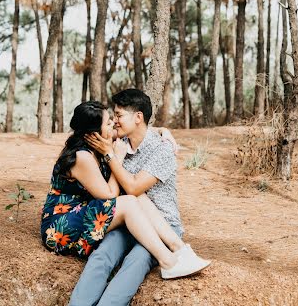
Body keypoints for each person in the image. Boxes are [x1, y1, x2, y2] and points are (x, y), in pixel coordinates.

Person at [41, 96, 210, 287]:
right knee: (129, 201)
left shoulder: (99, 143)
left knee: (138, 195)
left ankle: (179, 249)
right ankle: (167, 262)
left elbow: (139, 130)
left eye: (114, 118)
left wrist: (164, 130)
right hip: (62, 227)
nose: (114, 124)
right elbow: (110, 195)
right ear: (94, 133)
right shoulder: (82, 157)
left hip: (85, 211)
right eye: (109, 122)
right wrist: (116, 157)